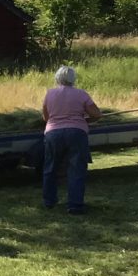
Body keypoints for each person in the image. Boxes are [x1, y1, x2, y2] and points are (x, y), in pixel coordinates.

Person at [41, 66, 102, 215]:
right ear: (73, 79)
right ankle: (74, 205)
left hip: (53, 132)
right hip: (76, 133)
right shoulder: (81, 94)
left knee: (51, 168)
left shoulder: (50, 94)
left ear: (57, 78)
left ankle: (49, 201)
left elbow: (45, 117)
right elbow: (97, 114)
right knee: (76, 169)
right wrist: (84, 120)